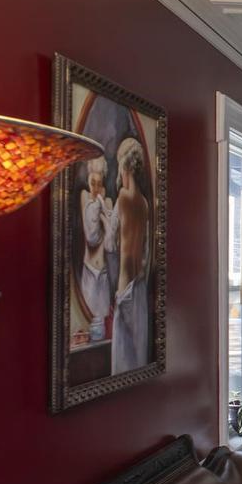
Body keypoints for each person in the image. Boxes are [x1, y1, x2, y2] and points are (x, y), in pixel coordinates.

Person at [111, 137, 151, 374]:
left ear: (124, 166)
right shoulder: (144, 204)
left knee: (121, 365)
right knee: (138, 361)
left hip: (125, 287)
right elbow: (144, 249)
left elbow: (109, 243)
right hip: (140, 287)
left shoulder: (123, 198)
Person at [79, 158, 117, 334]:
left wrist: (102, 205)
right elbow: (92, 237)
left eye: (99, 183)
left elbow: (110, 244)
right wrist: (97, 205)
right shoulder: (84, 198)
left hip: (103, 275)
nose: (95, 188)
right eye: (92, 183)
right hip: (88, 272)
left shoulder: (108, 202)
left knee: (103, 329)